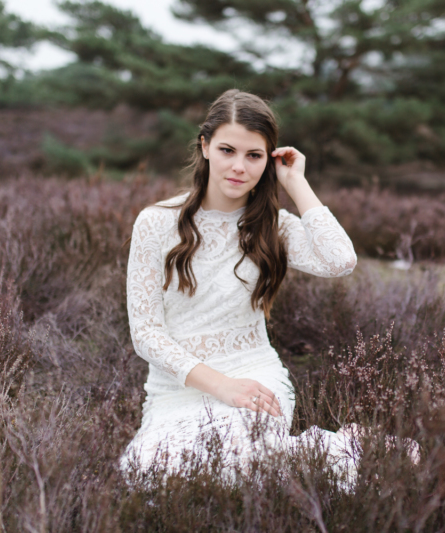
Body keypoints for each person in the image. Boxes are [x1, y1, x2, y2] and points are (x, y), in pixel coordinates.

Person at [119, 89, 364, 486]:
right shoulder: (155, 222)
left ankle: (339, 455)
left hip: (254, 377)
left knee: (233, 468)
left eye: (254, 156)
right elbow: (145, 333)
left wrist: (296, 183)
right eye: (227, 150)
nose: (238, 167)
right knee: (148, 475)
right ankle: (337, 453)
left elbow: (340, 260)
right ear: (205, 146)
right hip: (177, 387)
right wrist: (221, 386)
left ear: (268, 160)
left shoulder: (274, 226)